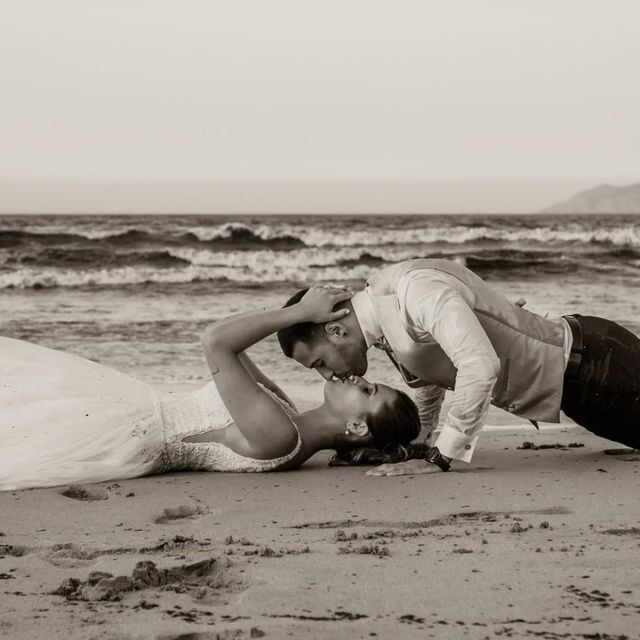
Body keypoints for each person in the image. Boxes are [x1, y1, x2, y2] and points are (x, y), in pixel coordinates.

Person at [0, 286, 420, 491]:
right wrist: (300, 326)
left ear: (356, 430)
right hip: (131, 412)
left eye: (368, 392)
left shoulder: (279, 435)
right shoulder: (288, 417)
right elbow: (234, 344)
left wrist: (301, 311)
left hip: (123, 431)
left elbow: (215, 340)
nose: (360, 379)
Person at [277, 259, 640, 476]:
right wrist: (419, 443)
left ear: (336, 330)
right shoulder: (384, 317)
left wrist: (442, 456)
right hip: (579, 391)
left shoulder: (413, 292)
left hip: (598, 365)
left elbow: (479, 365)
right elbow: (433, 377)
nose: (329, 376)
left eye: (320, 363)